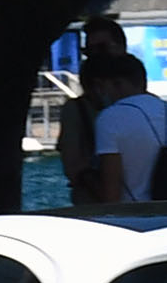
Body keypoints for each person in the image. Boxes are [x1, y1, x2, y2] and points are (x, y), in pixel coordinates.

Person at [88, 53, 167, 204]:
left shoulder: (110, 118)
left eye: (102, 86)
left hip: (132, 214)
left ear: (118, 84)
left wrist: (83, 177)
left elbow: (111, 194)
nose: (101, 93)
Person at [55, 16, 128, 206]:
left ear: (121, 48)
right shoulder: (77, 110)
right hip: (96, 211)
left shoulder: (148, 104)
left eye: (102, 48)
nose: (95, 57)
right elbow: (74, 167)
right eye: (89, 51)